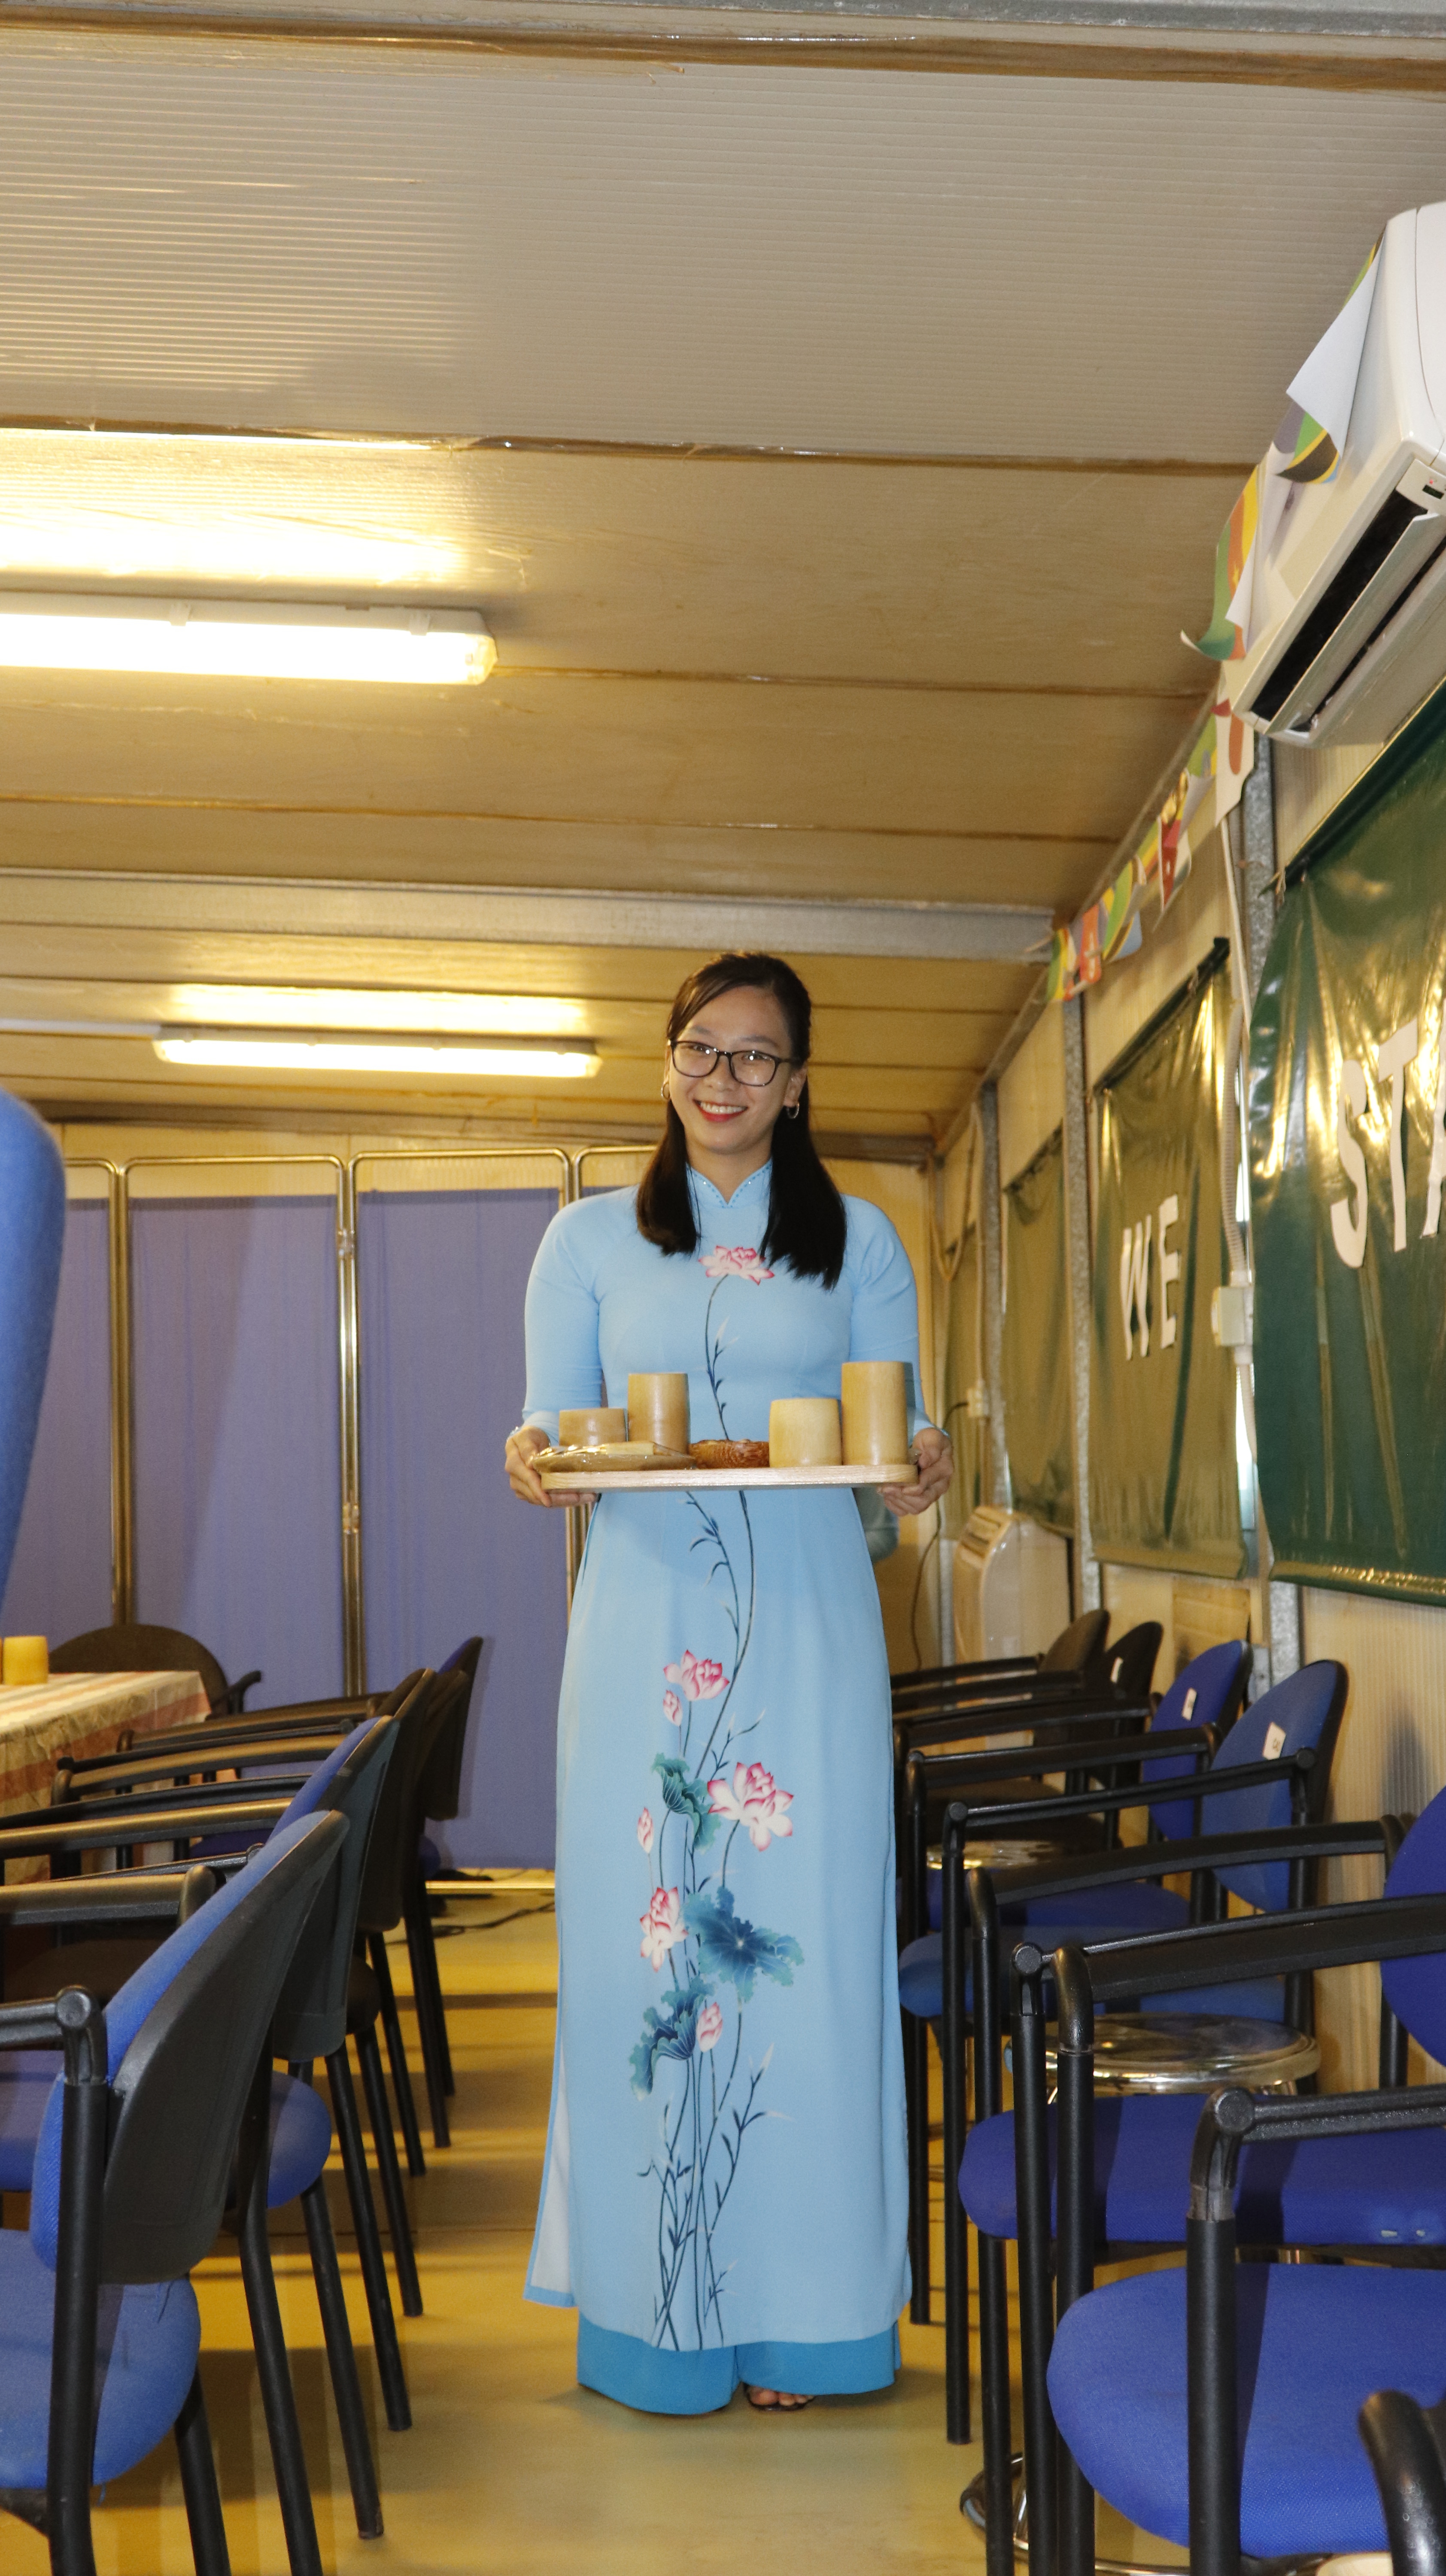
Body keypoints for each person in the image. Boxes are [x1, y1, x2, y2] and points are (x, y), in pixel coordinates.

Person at [504, 953, 953, 2416]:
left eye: (760, 1059)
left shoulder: (861, 1243)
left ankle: (808, 2321)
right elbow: (549, 1436)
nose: (725, 1079)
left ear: (801, 1083)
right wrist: (529, 1458)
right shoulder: (583, 1242)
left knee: (808, 1962)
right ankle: (660, 2318)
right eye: (703, 1049)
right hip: (638, 1634)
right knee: (650, 1960)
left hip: (813, 1632)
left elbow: (896, 1467)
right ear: (667, 1059)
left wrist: (922, 1468)